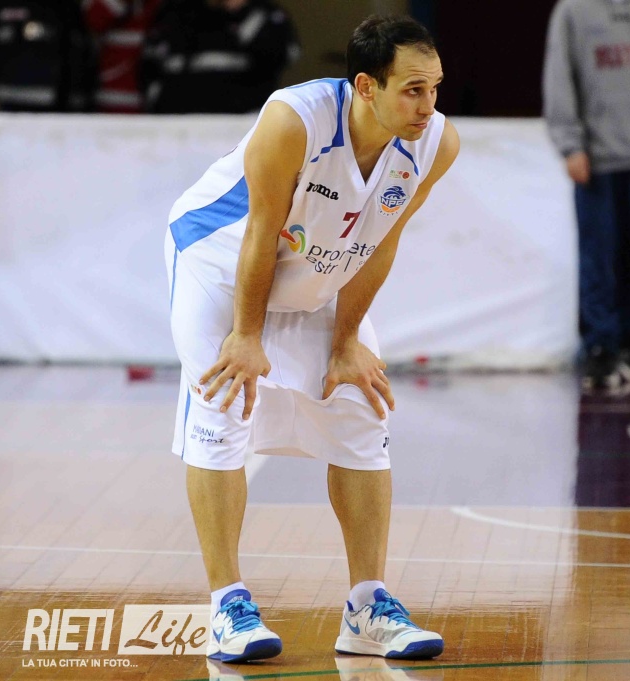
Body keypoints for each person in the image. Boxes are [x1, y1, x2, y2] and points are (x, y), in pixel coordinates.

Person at [164, 14, 458, 663]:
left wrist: (347, 340)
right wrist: (246, 335)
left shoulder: (437, 142)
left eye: (435, 88)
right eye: (413, 89)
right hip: (221, 263)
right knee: (222, 406)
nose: (428, 105)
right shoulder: (293, 120)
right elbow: (259, 231)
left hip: (316, 270)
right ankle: (227, 608)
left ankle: (367, 609)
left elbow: (380, 243)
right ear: (366, 86)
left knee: (362, 411)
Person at [542, 0, 630, 389]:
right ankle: (600, 347)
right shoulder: (573, 11)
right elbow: (559, 77)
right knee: (599, 256)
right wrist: (571, 145)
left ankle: (628, 342)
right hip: (597, 160)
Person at [141, 0, 299, 113]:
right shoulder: (174, 14)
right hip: (175, 128)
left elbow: (280, 56)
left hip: (240, 128)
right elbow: (149, 68)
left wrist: (240, 10)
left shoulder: (265, 15)